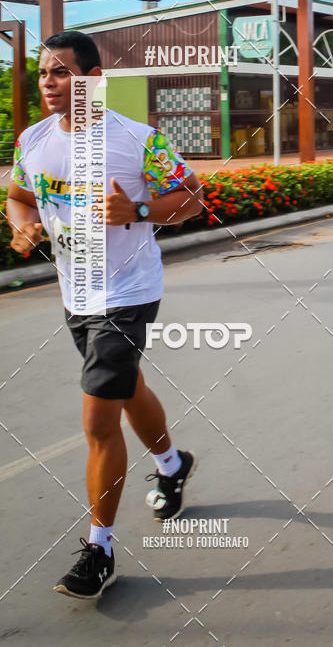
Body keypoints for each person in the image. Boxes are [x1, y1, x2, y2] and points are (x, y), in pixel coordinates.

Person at [7, 31, 205, 599]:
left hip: (128, 291)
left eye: (63, 72)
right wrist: (22, 224)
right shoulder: (34, 139)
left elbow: (193, 198)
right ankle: (172, 463)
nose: (49, 83)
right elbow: (18, 195)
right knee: (126, 387)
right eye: (44, 73)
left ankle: (100, 548)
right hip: (76, 294)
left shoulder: (138, 139)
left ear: (93, 78)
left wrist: (138, 207)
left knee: (98, 420)